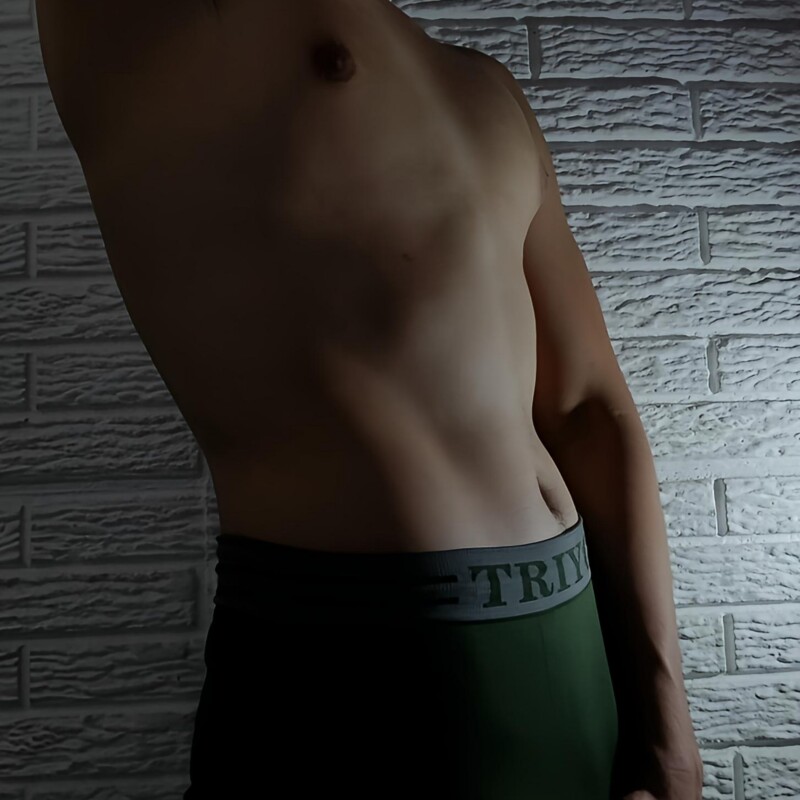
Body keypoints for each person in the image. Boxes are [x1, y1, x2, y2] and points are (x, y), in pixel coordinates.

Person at [34, 1, 702, 798]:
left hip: (580, 657)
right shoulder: (141, 24)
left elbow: (588, 409)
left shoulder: (484, 86)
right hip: (358, 663)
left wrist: (666, 718)